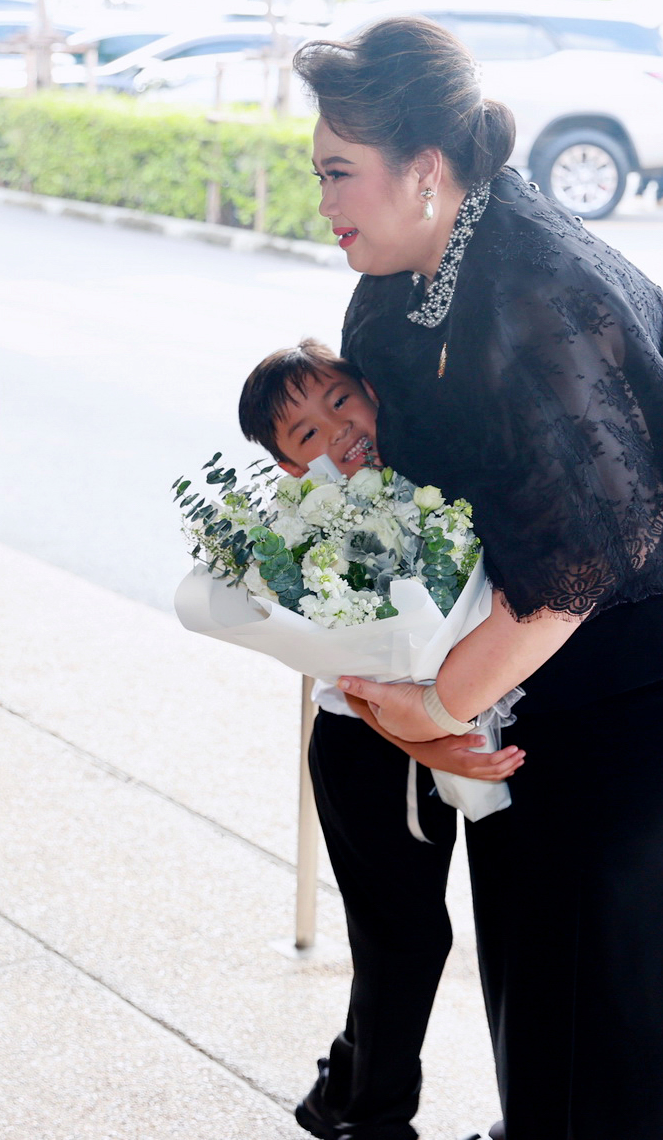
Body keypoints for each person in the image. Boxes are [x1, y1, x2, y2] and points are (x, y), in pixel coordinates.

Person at [296, 16, 663, 1140]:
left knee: (611, 905)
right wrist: (407, 702)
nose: (326, 200)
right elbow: (429, 511)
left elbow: (575, 569)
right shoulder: (393, 283)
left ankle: (596, 1117)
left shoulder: (537, 293)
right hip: (575, 616)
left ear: (426, 171)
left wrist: (442, 707)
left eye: (341, 173)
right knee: (532, 875)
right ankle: (553, 1111)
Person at [238, 337, 523, 1140]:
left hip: (441, 732)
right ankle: (375, 1121)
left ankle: (341, 1088)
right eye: (305, 435)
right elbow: (346, 674)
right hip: (366, 750)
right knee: (407, 943)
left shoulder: (425, 465)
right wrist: (427, 741)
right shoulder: (316, 526)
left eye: (338, 401)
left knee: (401, 942)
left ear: (368, 386)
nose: (336, 431)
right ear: (293, 469)